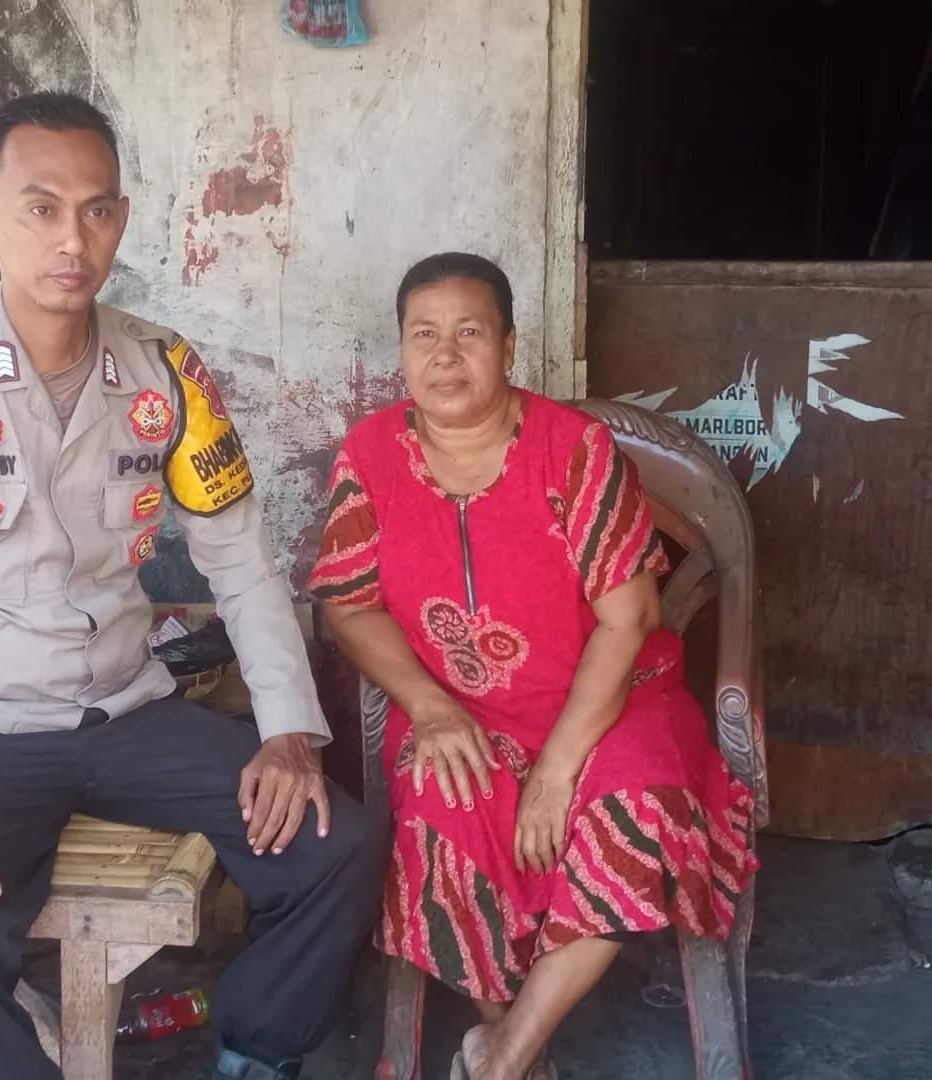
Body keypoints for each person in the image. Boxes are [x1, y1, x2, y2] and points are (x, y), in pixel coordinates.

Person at [0, 91, 381, 1080]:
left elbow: (241, 559)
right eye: (40, 207)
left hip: (127, 710)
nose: (72, 239)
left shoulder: (165, 373)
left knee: (335, 841)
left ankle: (250, 1055)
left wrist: (288, 733)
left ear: (123, 220)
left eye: (96, 209)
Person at [309, 252, 760, 1080]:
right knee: (442, 818)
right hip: (459, 708)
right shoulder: (370, 455)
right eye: (424, 335)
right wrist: (430, 707)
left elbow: (630, 620)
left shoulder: (574, 449)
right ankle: (508, 1038)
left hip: (615, 702)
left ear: (510, 345)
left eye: (470, 332)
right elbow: (349, 604)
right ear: (402, 350)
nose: (446, 355)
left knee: (637, 811)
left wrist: (556, 769)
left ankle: (504, 1057)